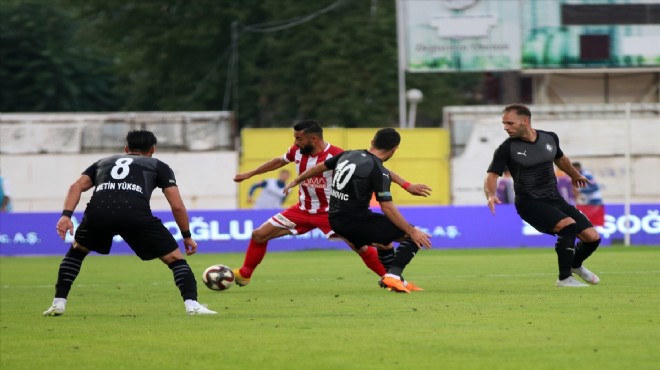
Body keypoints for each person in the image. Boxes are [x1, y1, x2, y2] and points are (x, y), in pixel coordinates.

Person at [232, 120, 431, 287]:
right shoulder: (296, 151)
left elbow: (377, 167)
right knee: (259, 235)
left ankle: (389, 279)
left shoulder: (337, 153)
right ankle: (245, 274)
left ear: (314, 139)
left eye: (299, 138)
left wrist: (406, 185)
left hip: (330, 212)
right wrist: (251, 174)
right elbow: (278, 161)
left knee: (362, 248)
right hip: (302, 209)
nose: (295, 142)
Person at [43, 130, 216, 316]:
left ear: (126, 149)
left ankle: (58, 303)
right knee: (175, 260)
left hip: (99, 213)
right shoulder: (157, 165)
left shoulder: (103, 163)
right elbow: (177, 206)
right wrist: (187, 236)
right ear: (152, 150)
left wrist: (66, 215)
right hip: (134, 213)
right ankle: (192, 305)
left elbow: (75, 186)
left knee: (76, 252)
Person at [283, 128, 432, 293]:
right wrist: (411, 230)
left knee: (384, 244)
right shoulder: (378, 171)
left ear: (372, 142)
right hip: (356, 221)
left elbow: (320, 167)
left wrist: (297, 179)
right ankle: (394, 276)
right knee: (415, 236)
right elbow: (386, 207)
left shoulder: (348, 155)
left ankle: (396, 281)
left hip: (336, 220)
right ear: (394, 149)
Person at [484, 104, 602, 287]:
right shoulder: (507, 148)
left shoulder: (549, 138)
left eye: (510, 123)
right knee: (568, 226)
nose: (506, 127)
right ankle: (564, 279)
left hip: (554, 199)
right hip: (529, 203)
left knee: (592, 237)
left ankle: (575, 265)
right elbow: (492, 175)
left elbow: (560, 159)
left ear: (525, 121)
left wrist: (575, 175)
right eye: (504, 123)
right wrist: (491, 194)